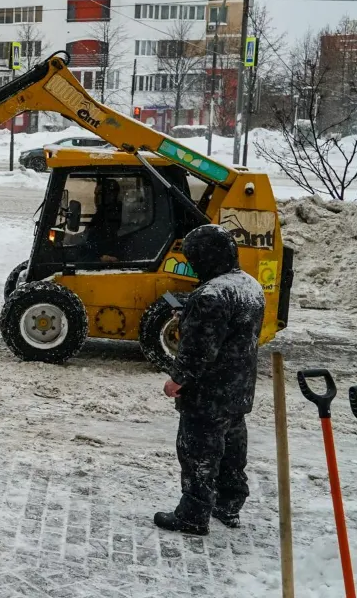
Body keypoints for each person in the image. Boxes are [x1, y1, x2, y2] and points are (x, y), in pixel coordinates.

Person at [155, 223, 266, 535]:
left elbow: (200, 349)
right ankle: (229, 505)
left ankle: (192, 515)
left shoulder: (212, 294)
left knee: (198, 454)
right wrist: (190, 315)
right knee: (232, 451)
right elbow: (234, 331)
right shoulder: (250, 286)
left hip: (207, 393)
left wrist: (177, 380)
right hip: (239, 389)